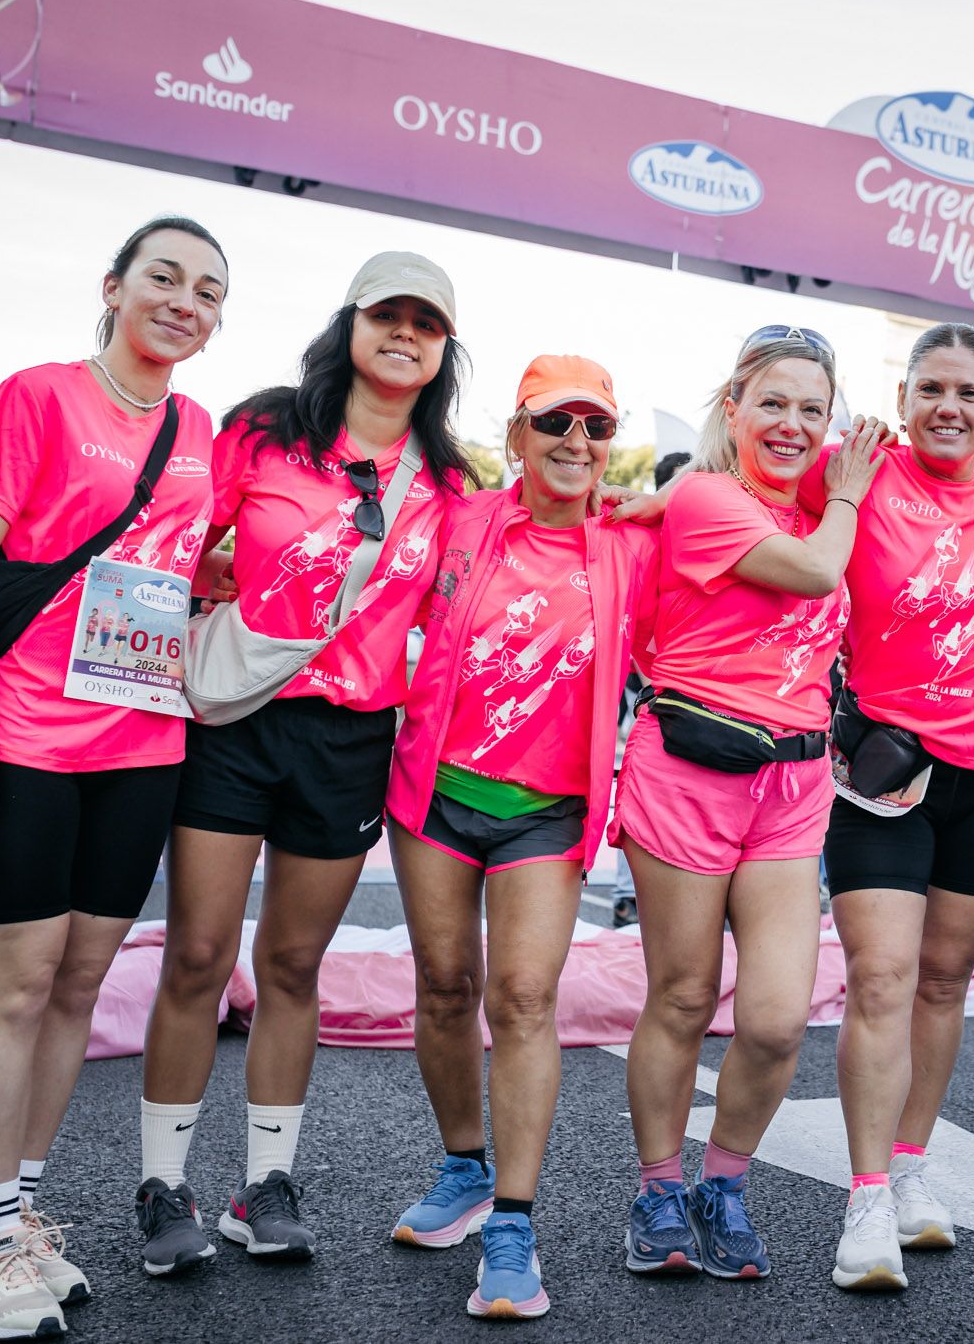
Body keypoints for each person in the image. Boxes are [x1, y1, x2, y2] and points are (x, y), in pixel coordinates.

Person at [136, 253, 471, 1273]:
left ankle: (262, 1188)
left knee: (290, 964)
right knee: (197, 955)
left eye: (425, 320)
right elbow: (171, 538)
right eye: (386, 314)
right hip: (235, 721)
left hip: (350, 739)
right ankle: (163, 1187)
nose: (402, 332)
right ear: (352, 323)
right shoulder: (267, 427)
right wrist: (209, 570)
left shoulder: (451, 483)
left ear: (443, 348)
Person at [0, 215, 228, 1337]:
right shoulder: (40, 396)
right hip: (24, 734)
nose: (183, 302)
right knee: (13, 983)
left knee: (77, 986)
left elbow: (182, 560)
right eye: (164, 277)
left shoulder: (198, 427)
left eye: (207, 292)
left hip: (143, 744)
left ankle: (23, 1221)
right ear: (114, 286)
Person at [382, 356, 659, 1318]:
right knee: (445, 984)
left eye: (595, 427)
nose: (575, 443)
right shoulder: (461, 520)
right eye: (555, 425)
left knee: (527, 995)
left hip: (548, 809)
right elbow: (372, 587)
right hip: (434, 792)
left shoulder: (633, 542)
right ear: (517, 436)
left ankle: (513, 1222)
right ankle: (464, 1164)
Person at [614, 327, 881, 1282]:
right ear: (733, 407)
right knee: (683, 996)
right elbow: (813, 570)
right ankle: (656, 1190)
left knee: (774, 1018)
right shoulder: (707, 495)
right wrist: (846, 493)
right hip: (689, 764)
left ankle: (720, 1184)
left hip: (796, 781)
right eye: (774, 402)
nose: (794, 424)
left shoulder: (821, 502)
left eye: (815, 408)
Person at [814, 323, 974, 1292]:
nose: (948, 407)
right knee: (881, 978)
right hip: (879, 773)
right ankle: (865, 1200)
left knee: (944, 982)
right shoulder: (854, 468)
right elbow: (733, 487)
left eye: (969, 393)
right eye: (931, 389)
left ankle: (910, 1171)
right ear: (902, 398)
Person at [611, 449, 695, 930]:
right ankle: (626, 896)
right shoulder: (641, 545)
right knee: (635, 801)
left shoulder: (709, 544)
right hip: (648, 707)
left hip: (683, 710)